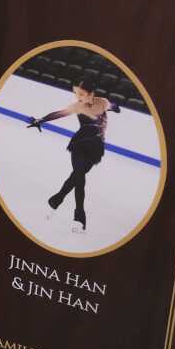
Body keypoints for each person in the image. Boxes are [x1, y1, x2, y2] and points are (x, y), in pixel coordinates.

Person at [26, 79, 121, 234]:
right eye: (77, 93)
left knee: (76, 177)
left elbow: (115, 107)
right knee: (79, 178)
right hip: (79, 145)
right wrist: (40, 120)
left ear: (91, 94)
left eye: (82, 94)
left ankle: (56, 200)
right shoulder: (77, 106)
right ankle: (79, 216)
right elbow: (58, 114)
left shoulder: (102, 102)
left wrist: (114, 107)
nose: (78, 97)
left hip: (95, 149)